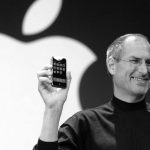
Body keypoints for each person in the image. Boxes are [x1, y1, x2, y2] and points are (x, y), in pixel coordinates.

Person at [33, 33, 150, 150]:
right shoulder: (84, 124)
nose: (144, 70)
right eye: (135, 61)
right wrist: (53, 109)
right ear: (112, 65)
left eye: (148, 62)